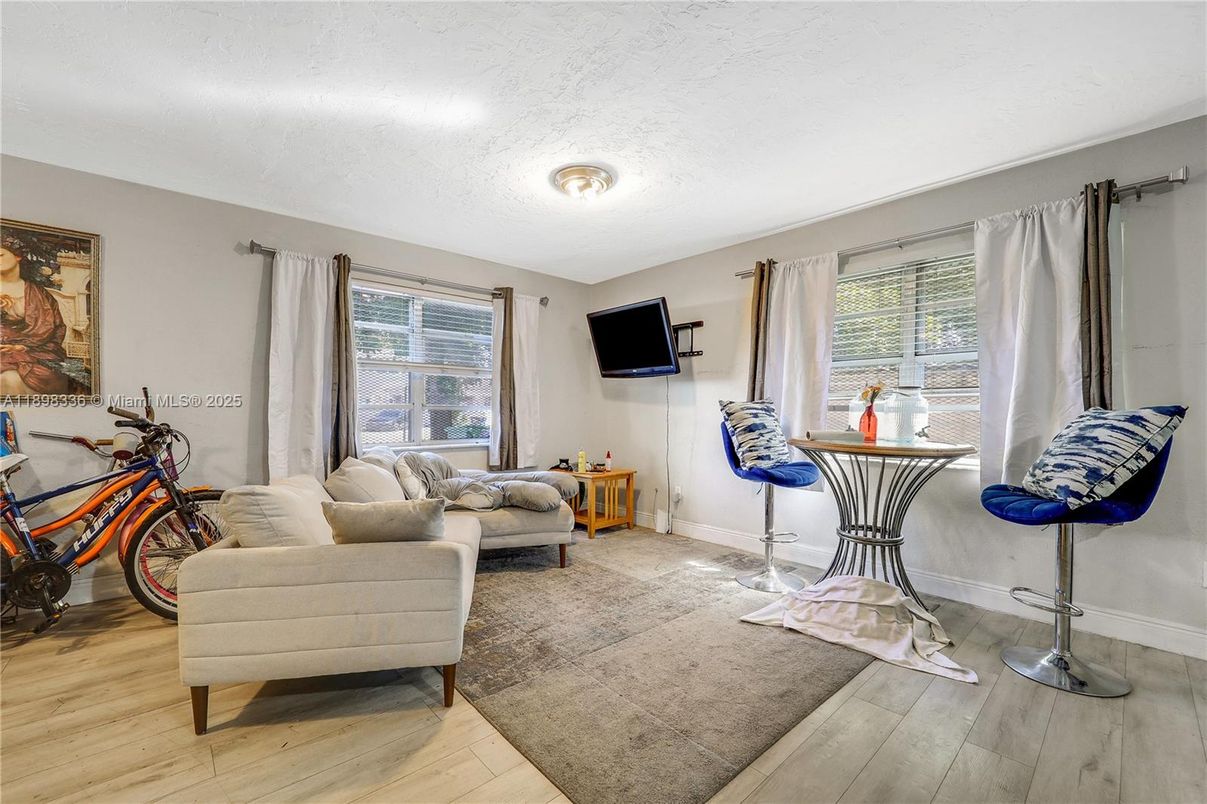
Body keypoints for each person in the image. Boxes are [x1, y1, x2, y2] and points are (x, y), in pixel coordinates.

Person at [0, 233, 71, 395]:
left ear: (18, 256)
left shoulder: (40, 294)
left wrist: (23, 346)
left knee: (23, 378)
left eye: (1, 255)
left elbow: (56, 330)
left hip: (35, 352)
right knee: (7, 378)